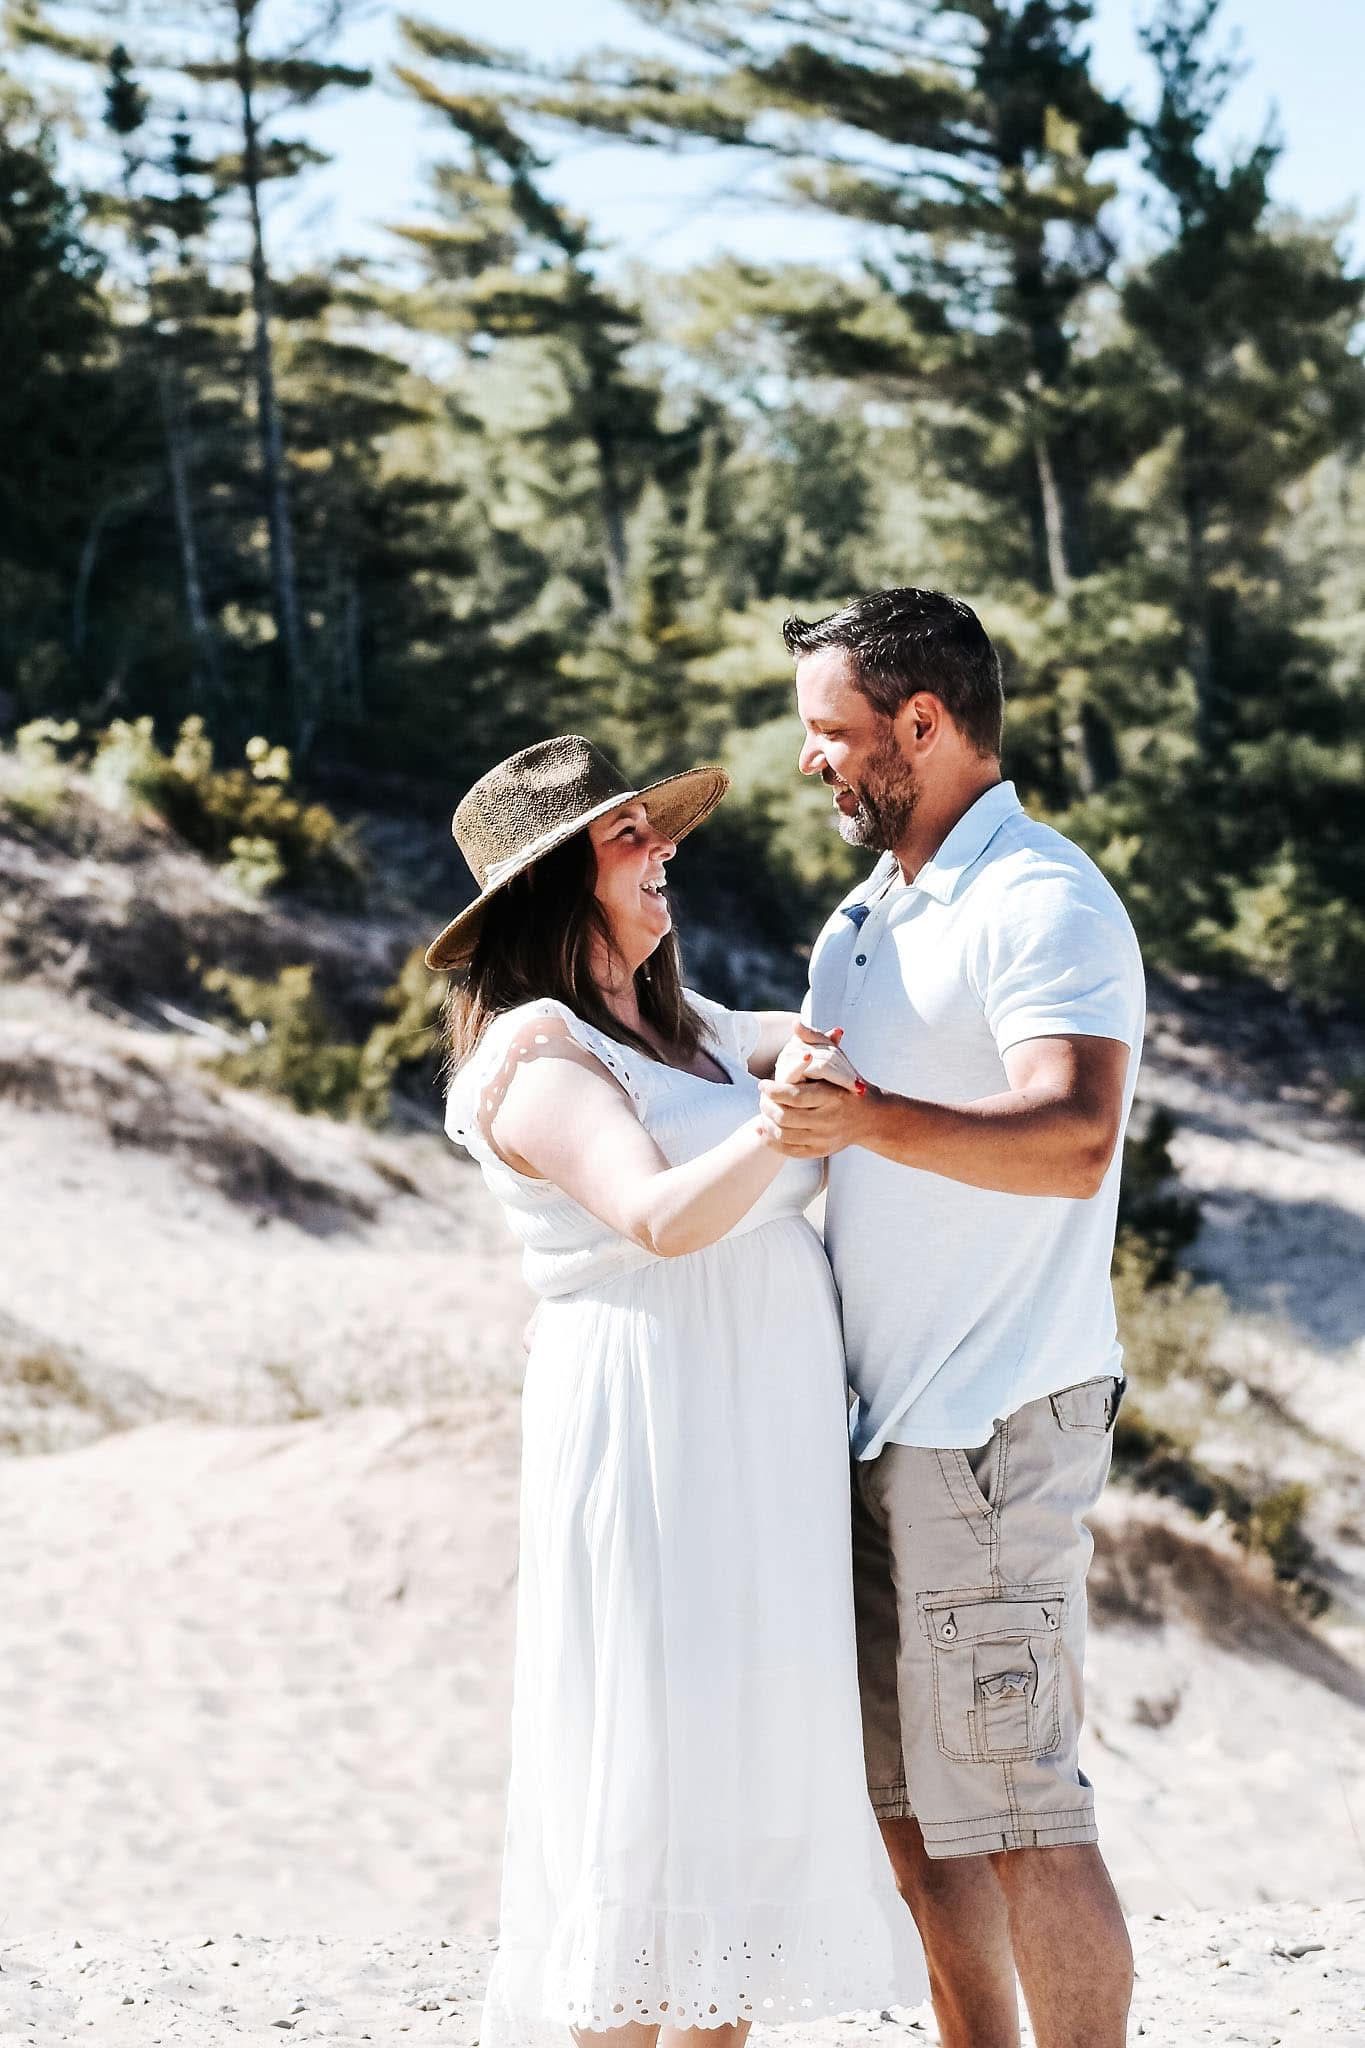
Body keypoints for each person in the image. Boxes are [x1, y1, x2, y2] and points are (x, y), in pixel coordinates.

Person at [426, 734, 925, 2048]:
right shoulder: (534, 1056)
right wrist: (781, 1122)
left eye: (654, 828)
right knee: (657, 1784)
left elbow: (835, 1037)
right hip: (654, 1428)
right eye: (627, 837)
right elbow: (654, 1216)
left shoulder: (688, 1026)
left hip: (763, 1434)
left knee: (738, 1789)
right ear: (554, 882)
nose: (663, 852)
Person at [758, 589, 1145, 2048]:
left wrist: (863, 1119)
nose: (812, 759)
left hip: (992, 1424)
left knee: (1021, 1811)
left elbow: (1075, 1135)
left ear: (920, 724)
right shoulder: (870, 913)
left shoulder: (1040, 898)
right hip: (876, 1428)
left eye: (830, 730)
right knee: (915, 1822)